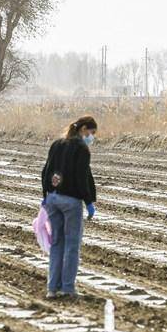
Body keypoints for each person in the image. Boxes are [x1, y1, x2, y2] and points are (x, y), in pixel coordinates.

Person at [40, 115, 98, 301]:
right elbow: (82, 176)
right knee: (72, 245)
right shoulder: (82, 149)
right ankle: (67, 288)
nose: (92, 136)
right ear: (83, 130)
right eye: (91, 132)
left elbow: (46, 170)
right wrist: (88, 201)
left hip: (53, 199)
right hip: (71, 201)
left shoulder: (57, 144)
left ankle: (52, 288)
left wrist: (46, 196)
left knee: (57, 243)